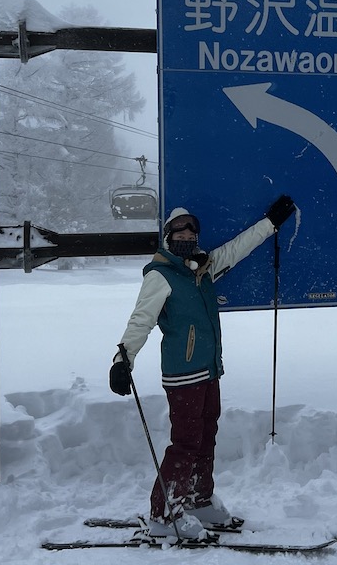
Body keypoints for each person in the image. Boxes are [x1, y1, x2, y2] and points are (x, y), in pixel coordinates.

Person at [109, 195, 297, 539]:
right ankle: (164, 514)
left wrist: (270, 224)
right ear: (168, 237)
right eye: (178, 234)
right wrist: (124, 358)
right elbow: (141, 319)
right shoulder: (161, 276)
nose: (185, 238)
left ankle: (198, 499)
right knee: (185, 442)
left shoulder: (202, 268)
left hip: (209, 371)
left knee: (206, 437)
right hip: (182, 374)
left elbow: (238, 248)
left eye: (190, 234)